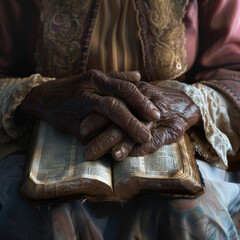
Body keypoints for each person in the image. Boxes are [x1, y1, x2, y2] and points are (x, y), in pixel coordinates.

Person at [0, 0, 240, 239]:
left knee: (189, 211)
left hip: (176, 139)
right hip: (44, 134)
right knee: (42, 209)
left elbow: (233, 71)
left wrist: (189, 103)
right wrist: (42, 96)